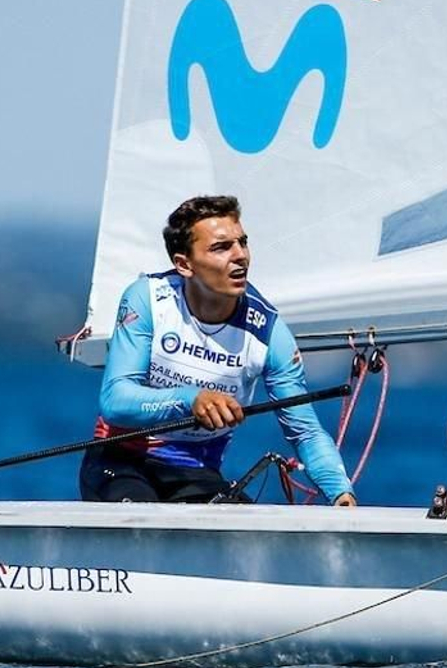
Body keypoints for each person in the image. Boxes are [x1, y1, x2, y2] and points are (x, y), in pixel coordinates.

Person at [80, 195, 357, 506]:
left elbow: (304, 431)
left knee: (249, 534)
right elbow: (115, 400)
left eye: (243, 242)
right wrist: (191, 399)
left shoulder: (268, 332)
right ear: (184, 264)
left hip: (195, 472)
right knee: (142, 517)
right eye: (221, 247)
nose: (240, 256)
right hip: (121, 462)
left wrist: (340, 492)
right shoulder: (148, 299)